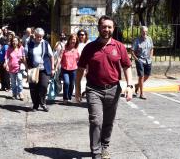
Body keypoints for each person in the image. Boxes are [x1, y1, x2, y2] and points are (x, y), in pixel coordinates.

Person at [75, 15, 133, 159]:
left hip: (114, 89)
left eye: (109, 27)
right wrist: (77, 89)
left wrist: (130, 85)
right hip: (94, 89)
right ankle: (96, 152)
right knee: (96, 121)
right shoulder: (90, 48)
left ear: (113, 29)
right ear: (99, 28)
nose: (106, 29)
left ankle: (104, 146)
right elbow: (80, 69)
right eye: (103, 26)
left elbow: (127, 66)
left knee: (108, 121)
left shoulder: (119, 47)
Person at [26, 27, 55, 112]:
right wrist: (26, 67)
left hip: (44, 68)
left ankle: (43, 103)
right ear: (34, 35)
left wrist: (52, 68)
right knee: (33, 88)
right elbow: (24, 56)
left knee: (44, 86)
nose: (39, 38)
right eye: (38, 36)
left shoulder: (45, 43)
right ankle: (35, 104)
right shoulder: (29, 44)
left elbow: (51, 56)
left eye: (41, 36)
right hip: (33, 69)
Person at [131, 26, 154, 100]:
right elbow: (132, 51)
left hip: (148, 60)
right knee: (141, 76)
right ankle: (141, 93)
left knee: (147, 76)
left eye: (146, 31)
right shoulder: (137, 40)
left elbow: (152, 48)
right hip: (140, 59)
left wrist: (151, 57)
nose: (145, 33)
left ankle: (137, 85)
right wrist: (137, 59)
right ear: (140, 32)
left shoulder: (149, 39)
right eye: (143, 31)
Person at [59, 34, 79, 104]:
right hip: (65, 69)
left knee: (72, 84)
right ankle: (65, 98)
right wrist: (55, 67)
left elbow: (80, 60)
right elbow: (59, 58)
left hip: (74, 69)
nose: (73, 41)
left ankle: (69, 96)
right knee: (66, 82)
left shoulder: (77, 49)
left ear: (76, 41)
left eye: (75, 39)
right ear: (69, 40)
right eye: (72, 39)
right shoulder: (64, 48)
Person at [4, 36, 26, 100]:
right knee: (13, 82)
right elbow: (6, 57)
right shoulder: (9, 48)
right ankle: (14, 94)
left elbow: (24, 57)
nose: (14, 42)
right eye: (13, 41)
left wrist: (24, 63)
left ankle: (20, 93)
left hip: (19, 68)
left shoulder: (21, 48)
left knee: (19, 80)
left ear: (18, 41)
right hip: (11, 68)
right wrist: (6, 64)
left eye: (16, 41)